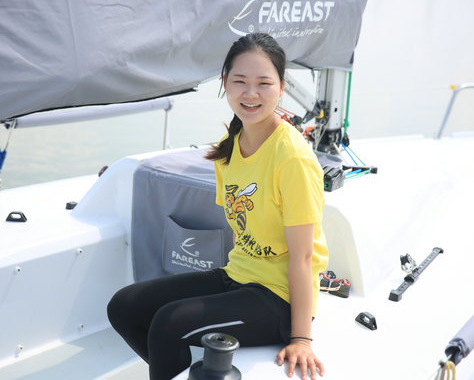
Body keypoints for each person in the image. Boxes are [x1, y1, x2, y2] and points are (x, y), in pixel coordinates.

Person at [107, 32, 328, 380]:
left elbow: (302, 257)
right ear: (225, 83)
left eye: (264, 83)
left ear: (281, 88)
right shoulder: (231, 146)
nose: (251, 93)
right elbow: (243, 229)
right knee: (124, 307)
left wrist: (301, 339)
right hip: (237, 274)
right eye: (240, 81)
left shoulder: (292, 158)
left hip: (280, 298)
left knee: (168, 324)